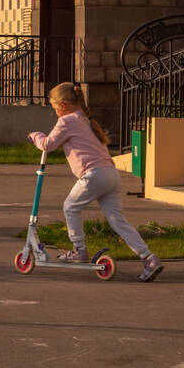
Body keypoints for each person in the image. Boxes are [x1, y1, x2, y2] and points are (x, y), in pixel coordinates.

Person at [28, 81, 163, 282]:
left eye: (54, 108)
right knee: (118, 221)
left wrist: (35, 135)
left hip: (94, 175)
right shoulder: (84, 118)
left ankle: (78, 251)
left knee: (70, 207)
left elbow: (48, 144)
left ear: (62, 105)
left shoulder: (67, 121)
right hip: (110, 174)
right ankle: (149, 258)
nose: (55, 112)